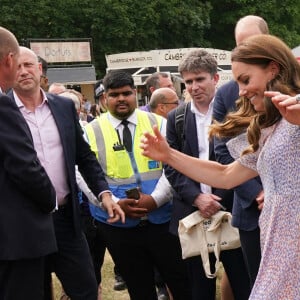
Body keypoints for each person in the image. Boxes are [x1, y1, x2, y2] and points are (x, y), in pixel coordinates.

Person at [141, 34, 300, 300]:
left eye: (246, 80)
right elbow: (226, 175)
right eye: (237, 82)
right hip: (278, 247)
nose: (241, 92)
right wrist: (168, 155)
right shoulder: (270, 128)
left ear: (273, 68)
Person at [9, 46, 124, 300]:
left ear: (41, 70)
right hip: (23, 223)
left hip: (66, 219)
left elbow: (84, 156)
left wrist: (104, 193)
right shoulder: (3, 110)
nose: (24, 71)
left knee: (85, 289)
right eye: (17, 66)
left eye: (29, 65)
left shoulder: (62, 107)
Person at [84, 70, 190, 300]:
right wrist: (111, 203)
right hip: (117, 224)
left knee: (181, 283)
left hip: (162, 220)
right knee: (139, 288)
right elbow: (81, 173)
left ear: (136, 94)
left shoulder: (159, 123)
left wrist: (156, 199)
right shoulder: (90, 130)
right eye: (114, 95)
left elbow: (173, 166)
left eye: (126, 93)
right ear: (105, 99)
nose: (121, 99)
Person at [165, 49, 250, 300]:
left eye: (199, 79)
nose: (193, 87)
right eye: (188, 81)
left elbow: (243, 158)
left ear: (215, 78)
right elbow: (171, 165)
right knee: (199, 291)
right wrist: (197, 198)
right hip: (193, 216)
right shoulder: (177, 117)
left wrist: (219, 198)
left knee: (244, 285)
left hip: (233, 210)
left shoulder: (236, 112)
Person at [0, 27, 57, 300]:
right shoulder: (3, 105)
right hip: (15, 239)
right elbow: (25, 167)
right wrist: (50, 199)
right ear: (9, 60)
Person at [213, 15, 269, 287]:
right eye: (238, 46)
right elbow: (223, 154)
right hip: (250, 211)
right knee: (256, 285)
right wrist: (258, 192)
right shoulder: (226, 94)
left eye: (251, 44)